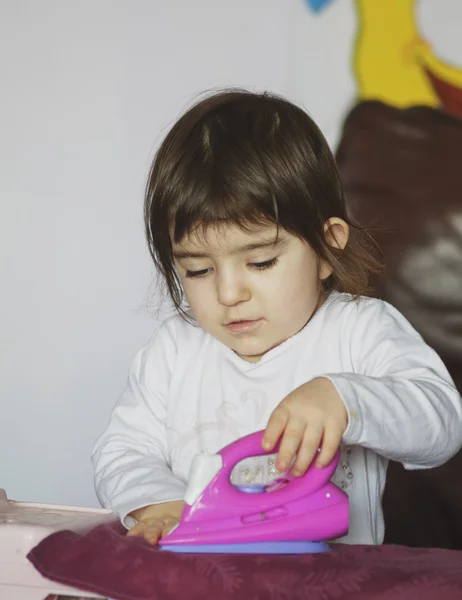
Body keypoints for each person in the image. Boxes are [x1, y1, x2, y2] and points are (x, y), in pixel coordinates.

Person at [92, 90, 462, 546]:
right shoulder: (174, 351)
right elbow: (122, 450)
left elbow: (443, 421)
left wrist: (347, 399)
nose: (229, 293)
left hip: (329, 584)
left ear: (327, 248)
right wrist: (162, 503)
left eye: (261, 262)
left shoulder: (360, 331)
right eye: (198, 270)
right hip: (202, 579)